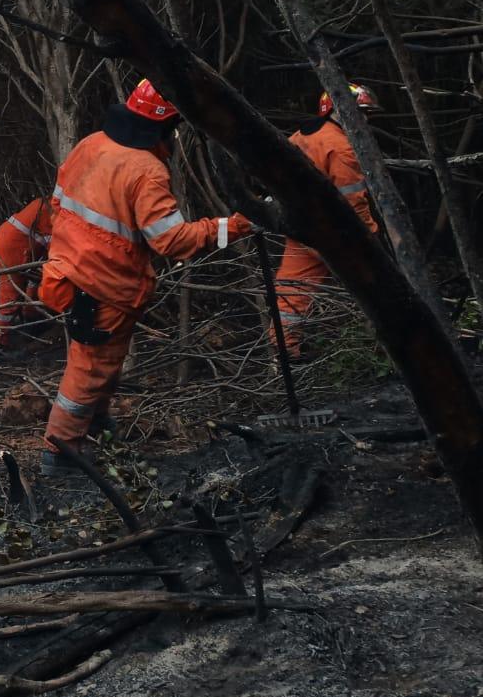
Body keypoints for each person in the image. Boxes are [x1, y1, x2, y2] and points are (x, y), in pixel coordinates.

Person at [38, 80, 250, 474]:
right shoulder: (146, 170)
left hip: (68, 275)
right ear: (165, 125)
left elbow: (57, 201)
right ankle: (59, 455)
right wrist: (234, 226)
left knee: (102, 364)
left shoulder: (92, 144)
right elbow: (173, 241)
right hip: (105, 287)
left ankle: (96, 432)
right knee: (88, 371)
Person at [271, 84, 380, 358]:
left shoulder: (301, 136)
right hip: (334, 235)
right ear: (338, 111)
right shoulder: (341, 148)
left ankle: (284, 354)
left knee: (290, 292)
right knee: (377, 289)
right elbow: (353, 202)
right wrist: (370, 238)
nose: (365, 120)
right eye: (360, 113)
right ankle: (385, 347)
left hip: (300, 228)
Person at [0, 196, 53, 349]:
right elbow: (56, 248)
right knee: (9, 299)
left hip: (11, 244)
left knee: (34, 282)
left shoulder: (44, 203)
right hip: (13, 251)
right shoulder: (51, 210)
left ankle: (31, 319)